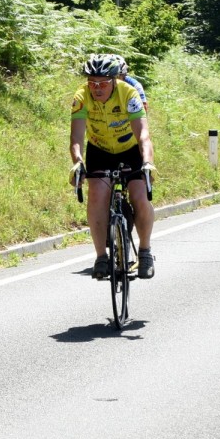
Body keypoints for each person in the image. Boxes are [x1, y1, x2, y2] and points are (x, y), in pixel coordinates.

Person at [70, 54, 157, 279]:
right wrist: (77, 161)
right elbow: (76, 137)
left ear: (114, 81)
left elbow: (144, 135)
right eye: (92, 83)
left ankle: (145, 251)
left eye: (102, 83)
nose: (96, 88)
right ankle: (101, 256)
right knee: (97, 196)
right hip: (100, 149)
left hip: (130, 148)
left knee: (139, 197)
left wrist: (147, 162)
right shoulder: (81, 96)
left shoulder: (129, 93)